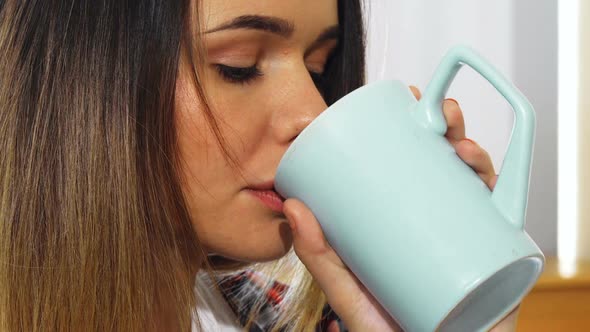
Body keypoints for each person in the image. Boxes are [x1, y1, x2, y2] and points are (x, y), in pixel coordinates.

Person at [0, 0, 521, 331]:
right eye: (240, 66)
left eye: (319, 69)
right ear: (84, 84)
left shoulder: (283, 317)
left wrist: (451, 309)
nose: (313, 113)